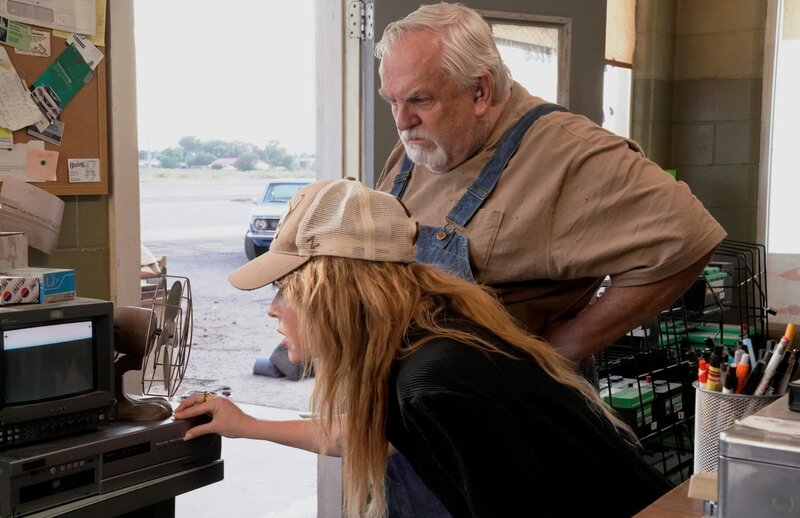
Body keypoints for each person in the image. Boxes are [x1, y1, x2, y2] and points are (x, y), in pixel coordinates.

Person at [373, 3, 726, 515]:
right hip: (418, 425)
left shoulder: (566, 151)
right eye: (393, 101)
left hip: (503, 435)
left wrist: (565, 346)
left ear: (480, 91)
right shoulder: (421, 145)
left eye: (420, 100)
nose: (403, 121)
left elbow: (687, 236)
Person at [175, 178, 672, 518]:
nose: (274, 310)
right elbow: (367, 434)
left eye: (287, 290)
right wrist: (246, 425)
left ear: (338, 294)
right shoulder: (425, 344)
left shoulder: (436, 382)